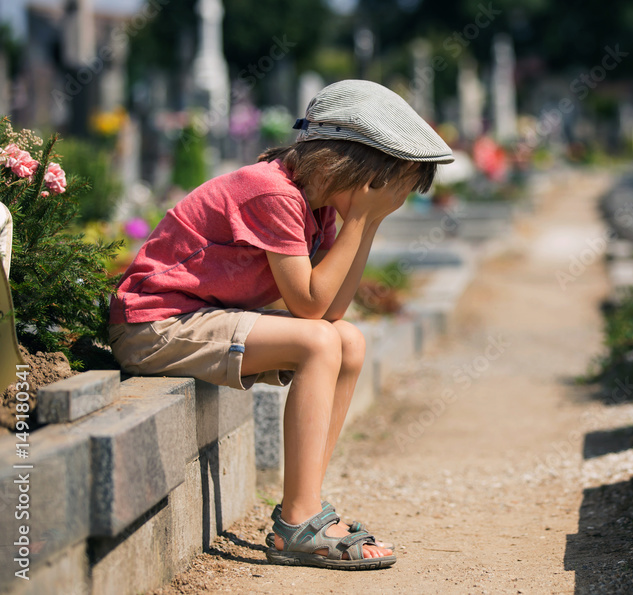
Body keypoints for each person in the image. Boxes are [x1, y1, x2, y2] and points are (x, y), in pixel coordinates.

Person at [108, 80, 454, 570]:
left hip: (195, 317)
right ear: (349, 163)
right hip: (153, 325)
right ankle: (299, 521)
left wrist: (367, 222)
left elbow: (333, 312)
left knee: (348, 342)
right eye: (389, 186)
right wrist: (359, 222)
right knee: (317, 343)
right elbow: (310, 309)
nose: (392, 199)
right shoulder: (272, 191)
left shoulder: (317, 207)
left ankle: (307, 504)